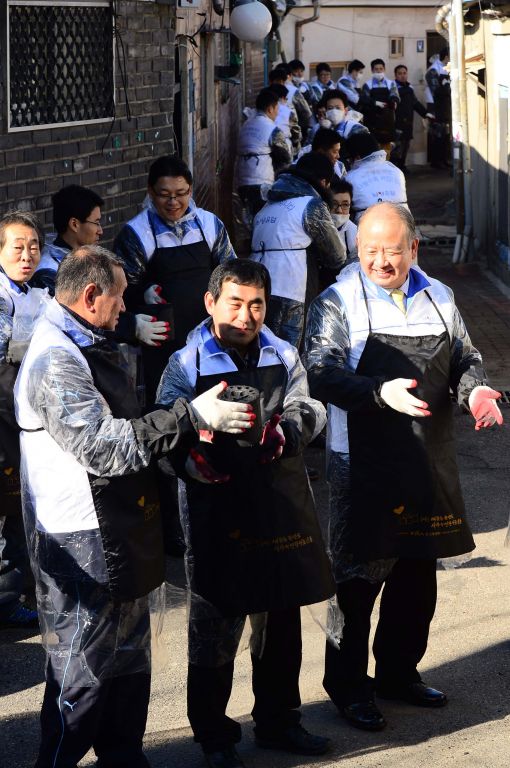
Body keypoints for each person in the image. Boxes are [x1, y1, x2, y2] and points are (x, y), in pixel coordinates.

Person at [14, 244, 255, 768]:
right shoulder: (56, 359)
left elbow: (134, 429)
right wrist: (190, 415)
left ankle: (124, 758)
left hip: (120, 525)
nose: (127, 309)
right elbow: (104, 448)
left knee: (126, 667)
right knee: (83, 675)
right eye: (121, 298)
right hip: (80, 538)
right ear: (92, 295)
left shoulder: (90, 336)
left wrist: (183, 457)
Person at [304, 202, 503, 733]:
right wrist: (375, 392)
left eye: (392, 250)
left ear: (414, 248)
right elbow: (319, 374)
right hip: (360, 460)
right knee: (357, 578)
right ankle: (347, 686)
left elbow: (465, 356)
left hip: (425, 455)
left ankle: (398, 672)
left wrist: (475, 389)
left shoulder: (440, 296)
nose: (380, 262)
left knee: (417, 574)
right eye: (369, 251)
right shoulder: (337, 301)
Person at [156, 259, 335, 768]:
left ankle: (280, 722)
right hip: (216, 513)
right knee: (214, 632)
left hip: (280, 509)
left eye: (256, 304)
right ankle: (214, 738)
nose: (247, 314)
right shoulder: (186, 362)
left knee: (280, 624)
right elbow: (165, 429)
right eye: (235, 302)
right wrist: (189, 461)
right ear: (211, 302)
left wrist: (288, 430)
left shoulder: (283, 352)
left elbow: (311, 407)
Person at [114, 154, 237, 406]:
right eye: (164, 195)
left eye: (181, 193)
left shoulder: (209, 224)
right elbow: (119, 291)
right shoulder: (137, 233)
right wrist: (140, 298)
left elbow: (231, 274)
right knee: (169, 409)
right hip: (162, 342)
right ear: (150, 192)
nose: (173, 202)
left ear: (190, 190)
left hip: (209, 334)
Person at [31, 184, 169, 350]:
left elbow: (108, 293)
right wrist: (131, 327)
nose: (100, 231)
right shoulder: (49, 272)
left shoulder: (84, 257)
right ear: (74, 224)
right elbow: (76, 319)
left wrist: (140, 294)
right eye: (96, 223)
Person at [0, 211, 46, 630]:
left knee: (16, 508)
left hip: (18, 416)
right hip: (2, 420)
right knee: (8, 506)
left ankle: (11, 594)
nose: (27, 254)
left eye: (33, 246)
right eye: (18, 247)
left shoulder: (35, 292)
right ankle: (6, 599)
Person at [250, 152, 346, 348]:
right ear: (323, 182)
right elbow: (337, 256)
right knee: (290, 355)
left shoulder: (266, 206)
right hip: (292, 291)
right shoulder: (311, 205)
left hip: (258, 288)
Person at [235, 89, 292, 228]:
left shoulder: (246, 124)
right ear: (270, 108)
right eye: (277, 109)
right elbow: (286, 156)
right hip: (261, 179)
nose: (277, 113)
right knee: (263, 218)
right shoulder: (271, 128)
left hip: (242, 178)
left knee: (248, 219)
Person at [345, 133, 407, 223]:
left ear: (357, 157)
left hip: (369, 229)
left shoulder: (350, 178)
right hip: (402, 225)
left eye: (349, 159)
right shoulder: (396, 171)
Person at [390, 65, 434, 173]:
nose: (402, 75)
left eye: (404, 73)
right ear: (395, 75)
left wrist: (426, 114)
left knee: (406, 144)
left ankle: (402, 165)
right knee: (397, 147)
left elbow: (415, 103)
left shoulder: (410, 88)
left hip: (408, 122)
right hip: (397, 123)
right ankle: (395, 169)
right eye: (400, 73)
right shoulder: (393, 88)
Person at [362, 59, 400, 157]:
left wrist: (394, 101)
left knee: (387, 148)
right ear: (372, 70)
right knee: (374, 147)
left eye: (381, 69)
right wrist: (374, 103)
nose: (379, 71)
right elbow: (364, 99)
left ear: (384, 69)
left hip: (387, 119)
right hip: (372, 119)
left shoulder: (390, 83)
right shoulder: (367, 84)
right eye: (376, 69)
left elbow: (394, 94)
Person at [268, 65, 312, 143]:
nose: (280, 83)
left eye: (282, 81)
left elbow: (306, 112)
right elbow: (307, 113)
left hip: (290, 135)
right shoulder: (265, 94)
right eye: (278, 80)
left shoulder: (292, 91)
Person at [425, 49, 451, 169]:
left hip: (444, 105)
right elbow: (436, 90)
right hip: (434, 106)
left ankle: (443, 159)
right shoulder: (433, 70)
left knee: (445, 134)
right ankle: (435, 161)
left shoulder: (444, 68)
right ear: (446, 57)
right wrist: (446, 85)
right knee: (436, 134)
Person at [330, 177, 357, 262]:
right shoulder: (316, 227)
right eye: (334, 204)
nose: (339, 210)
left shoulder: (354, 231)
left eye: (345, 205)